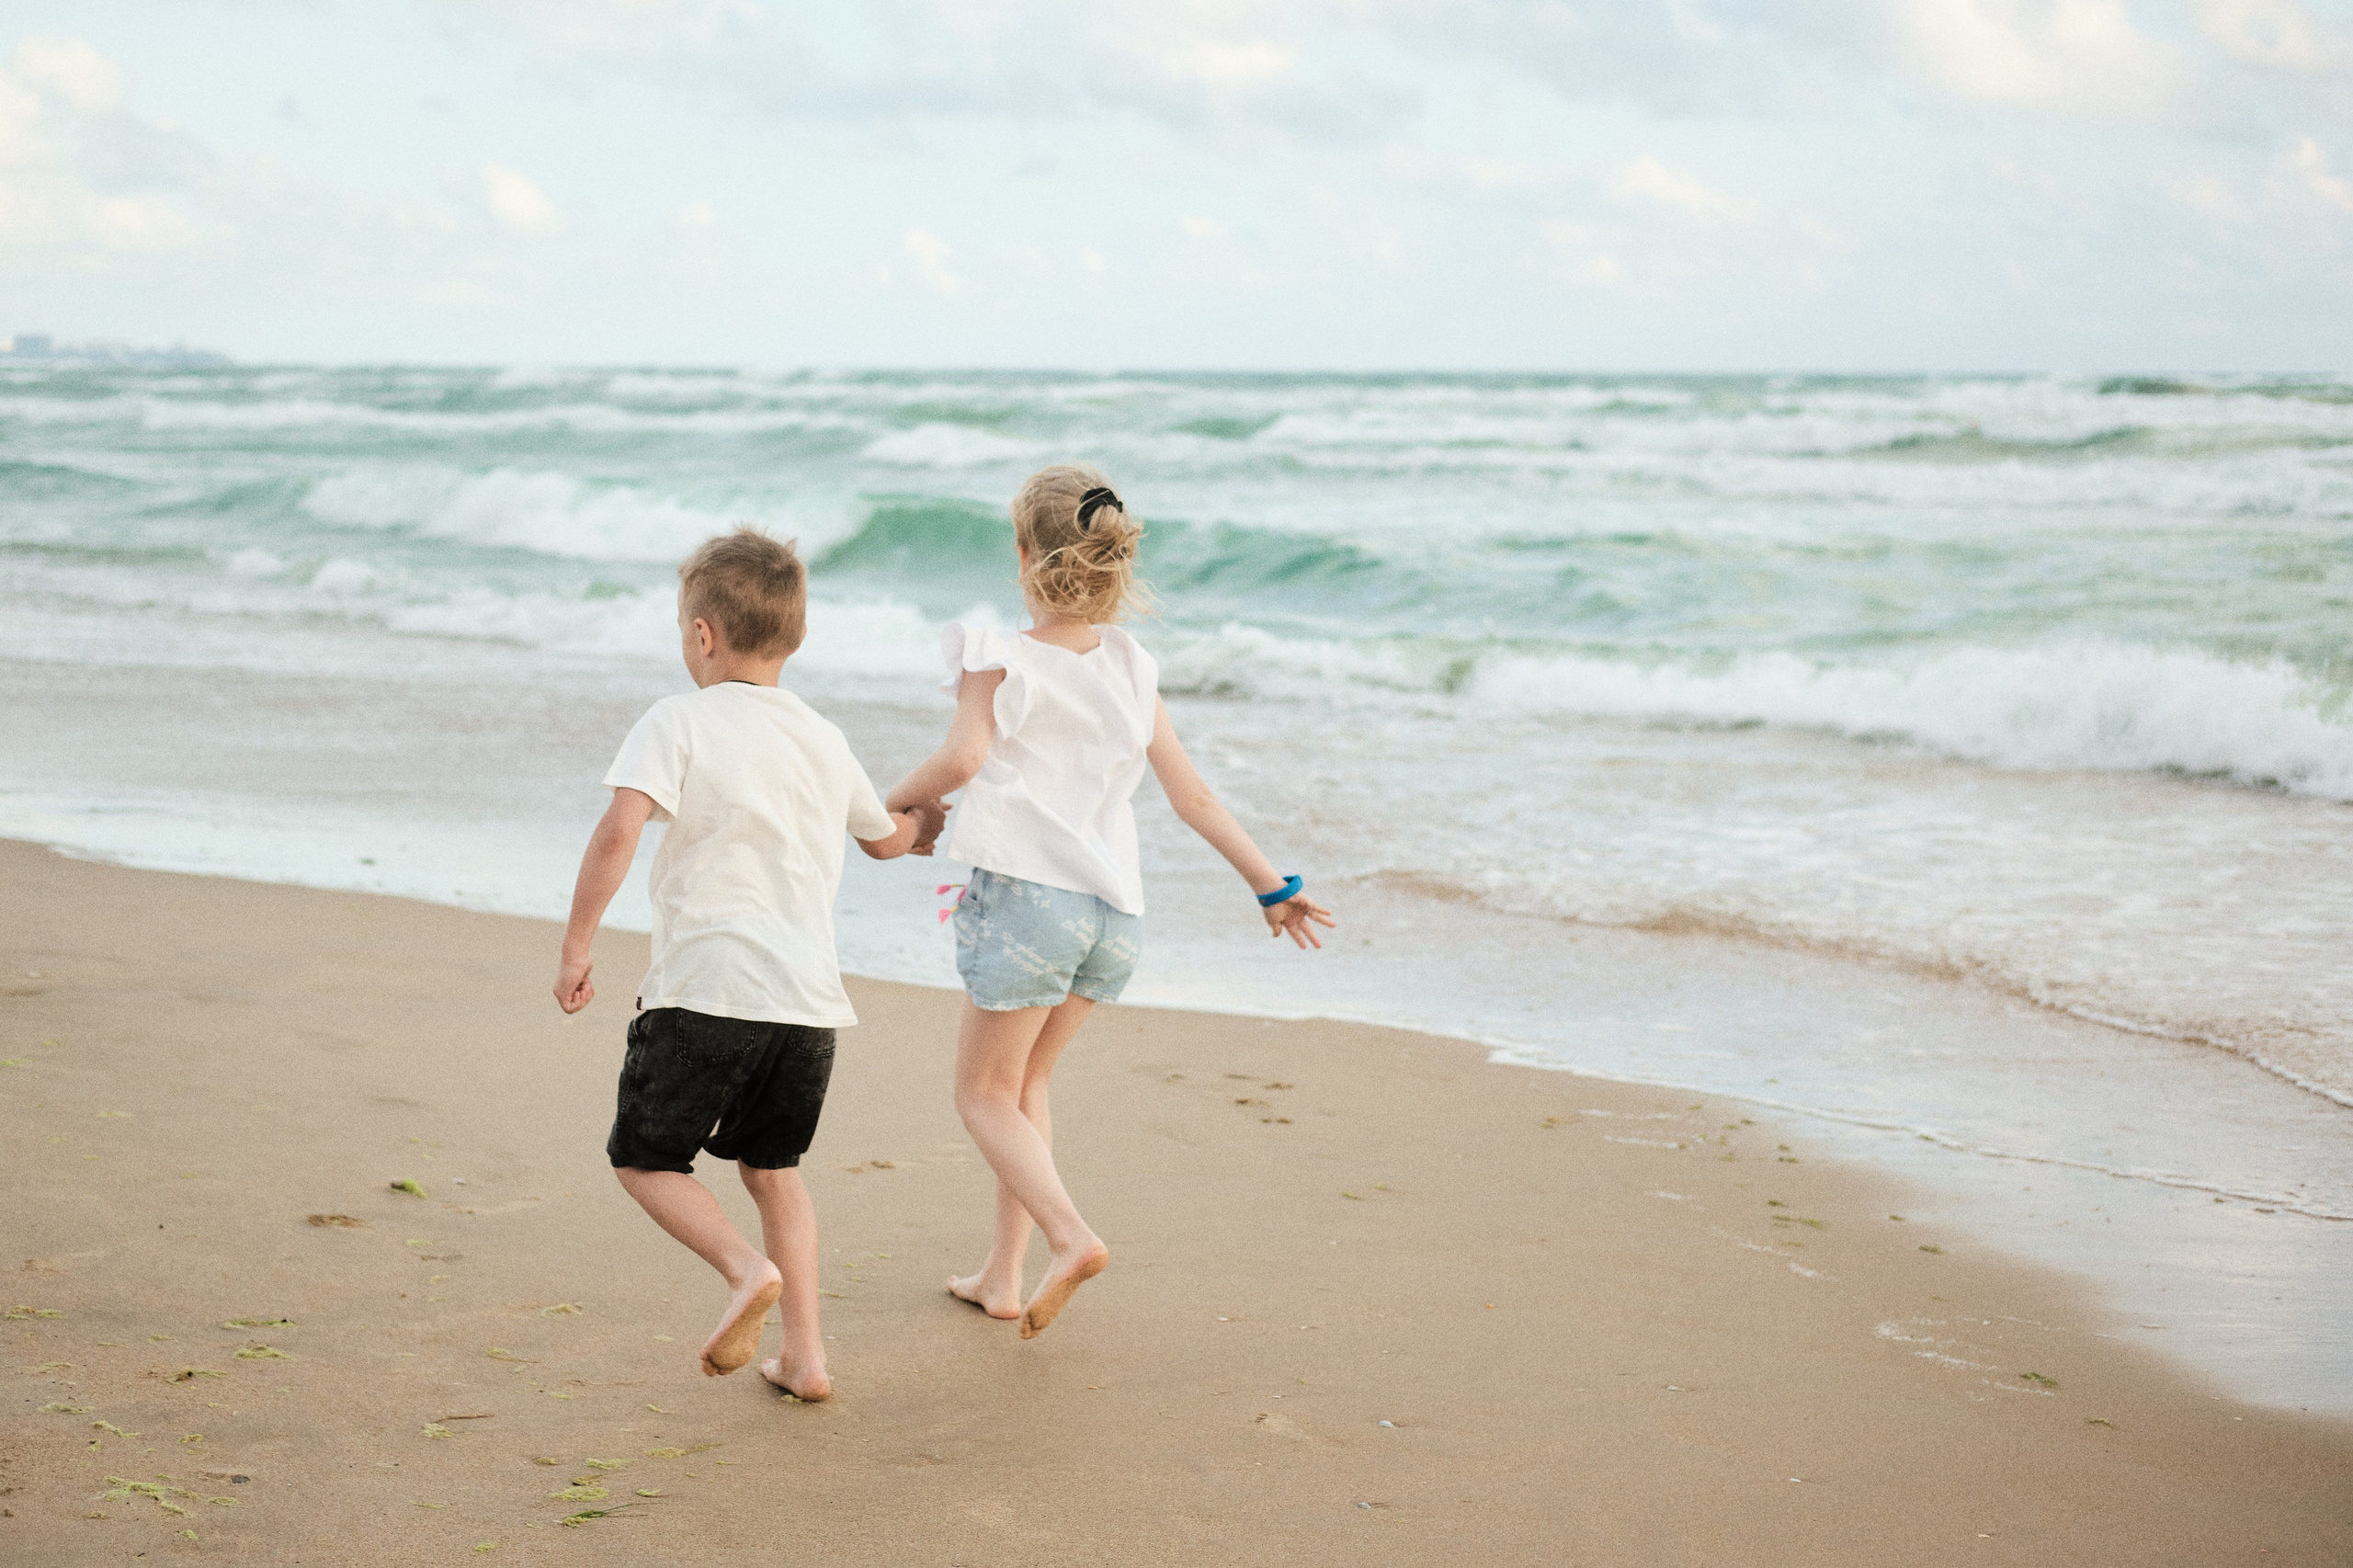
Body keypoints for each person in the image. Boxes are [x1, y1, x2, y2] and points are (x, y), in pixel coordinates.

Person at [887, 463, 1336, 1339]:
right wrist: (1273, 887)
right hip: (1114, 919)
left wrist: (878, 807)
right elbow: (1193, 797)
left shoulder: (997, 652)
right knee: (1029, 1084)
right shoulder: (1133, 665)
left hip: (1029, 906)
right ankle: (1002, 1276)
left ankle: (1069, 1236)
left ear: (1024, 554)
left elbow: (962, 761)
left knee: (982, 1094)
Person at [552, 528, 939, 1401]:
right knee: (775, 1173)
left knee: (645, 1159)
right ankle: (806, 1359)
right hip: (806, 1009)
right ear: (794, 637)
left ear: (701, 634)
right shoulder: (823, 737)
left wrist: (577, 944)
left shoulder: (676, 721)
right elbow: (886, 840)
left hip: (705, 991)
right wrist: (924, 823)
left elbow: (619, 831)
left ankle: (741, 1270)